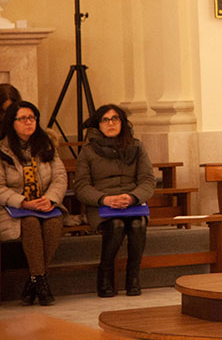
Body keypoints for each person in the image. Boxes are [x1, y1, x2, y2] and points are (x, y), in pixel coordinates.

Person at [74, 104, 156, 297]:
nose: (111, 123)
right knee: (116, 225)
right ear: (98, 125)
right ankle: (105, 275)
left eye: (115, 119)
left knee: (137, 225)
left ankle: (133, 277)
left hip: (132, 203)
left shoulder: (136, 146)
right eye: (105, 120)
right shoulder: (87, 151)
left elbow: (147, 180)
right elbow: (81, 187)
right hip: (102, 205)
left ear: (123, 123)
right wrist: (105, 199)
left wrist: (132, 197)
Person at [0, 101, 67, 305]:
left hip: (45, 203)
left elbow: (60, 177)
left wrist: (50, 199)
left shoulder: (46, 145)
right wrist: (24, 203)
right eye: (23, 119)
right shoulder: (2, 150)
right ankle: (41, 281)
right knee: (29, 222)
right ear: (12, 123)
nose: (29, 122)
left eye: (32, 118)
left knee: (54, 223)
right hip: (12, 208)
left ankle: (35, 280)